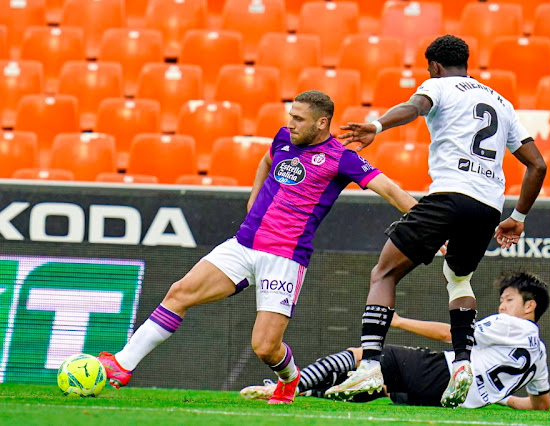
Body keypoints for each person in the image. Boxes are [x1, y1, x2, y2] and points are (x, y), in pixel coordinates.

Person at [96, 90, 418, 405]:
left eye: (298, 118)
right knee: (179, 292)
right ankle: (123, 364)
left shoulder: (341, 159)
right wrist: (254, 195)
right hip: (244, 243)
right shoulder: (283, 138)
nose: (290, 123)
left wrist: (429, 227)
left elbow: (388, 189)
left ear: (322, 123)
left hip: (285, 257)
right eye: (290, 116)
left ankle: (290, 379)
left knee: (264, 347)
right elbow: (266, 160)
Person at [329, 34, 547, 408]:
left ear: (433, 65)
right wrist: (518, 217)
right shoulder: (501, 102)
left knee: (384, 273)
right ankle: (463, 363)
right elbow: (538, 164)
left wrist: (377, 127)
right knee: (458, 276)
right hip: (488, 207)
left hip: (449, 194)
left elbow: (414, 108)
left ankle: (369, 364)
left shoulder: (438, 85)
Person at [240, 272, 550, 411]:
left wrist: (400, 322)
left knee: (363, 357)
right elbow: (541, 404)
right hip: (453, 400)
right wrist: (504, 398)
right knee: (381, 386)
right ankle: (311, 391)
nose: (501, 306)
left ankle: (288, 385)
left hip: (444, 376)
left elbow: (453, 334)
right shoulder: (540, 353)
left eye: (508, 299)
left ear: (530, 306)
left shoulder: (510, 325)